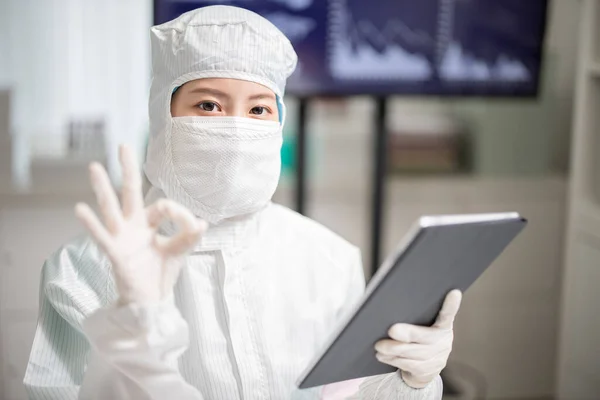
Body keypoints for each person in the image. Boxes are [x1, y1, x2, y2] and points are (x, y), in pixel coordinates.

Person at [23, 5, 462, 399]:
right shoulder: (82, 271)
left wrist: (410, 381)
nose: (235, 129)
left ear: (279, 122)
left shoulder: (328, 259)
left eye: (257, 110)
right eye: (209, 105)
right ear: (163, 113)